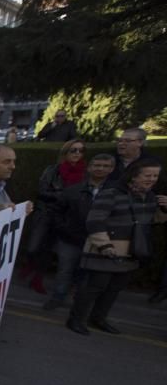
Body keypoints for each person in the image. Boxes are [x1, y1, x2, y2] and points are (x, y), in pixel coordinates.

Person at [66, 159, 167, 335]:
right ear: (134, 176)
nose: (152, 179)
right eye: (147, 175)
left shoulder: (150, 197)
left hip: (130, 254)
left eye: (155, 176)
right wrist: (104, 245)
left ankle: (98, 319)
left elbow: (151, 222)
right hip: (105, 252)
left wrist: (165, 210)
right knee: (93, 288)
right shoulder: (111, 193)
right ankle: (75, 319)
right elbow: (95, 220)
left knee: (113, 289)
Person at [44, 154, 115, 310]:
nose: (100, 169)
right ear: (89, 168)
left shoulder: (116, 193)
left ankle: (79, 302)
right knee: (65, 270)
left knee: (86, 274)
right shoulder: (72, 190)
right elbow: (56, 212)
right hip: (69, 240)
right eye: (97, 165)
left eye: (105, 166)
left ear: (111, 169)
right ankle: (57, 298)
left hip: (97, 241)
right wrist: (64, 230)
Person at [23, 140, 89, 294]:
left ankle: (37, 279)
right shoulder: (53, 170)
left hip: (68, 218)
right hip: (47, 213)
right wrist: (63, 196)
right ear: (65, 152)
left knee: (51, 252)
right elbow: (42, 191)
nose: (77, 153)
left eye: (81, 150)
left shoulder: (86, 173)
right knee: (33, 247)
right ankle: (29, 265)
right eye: (73, 150)